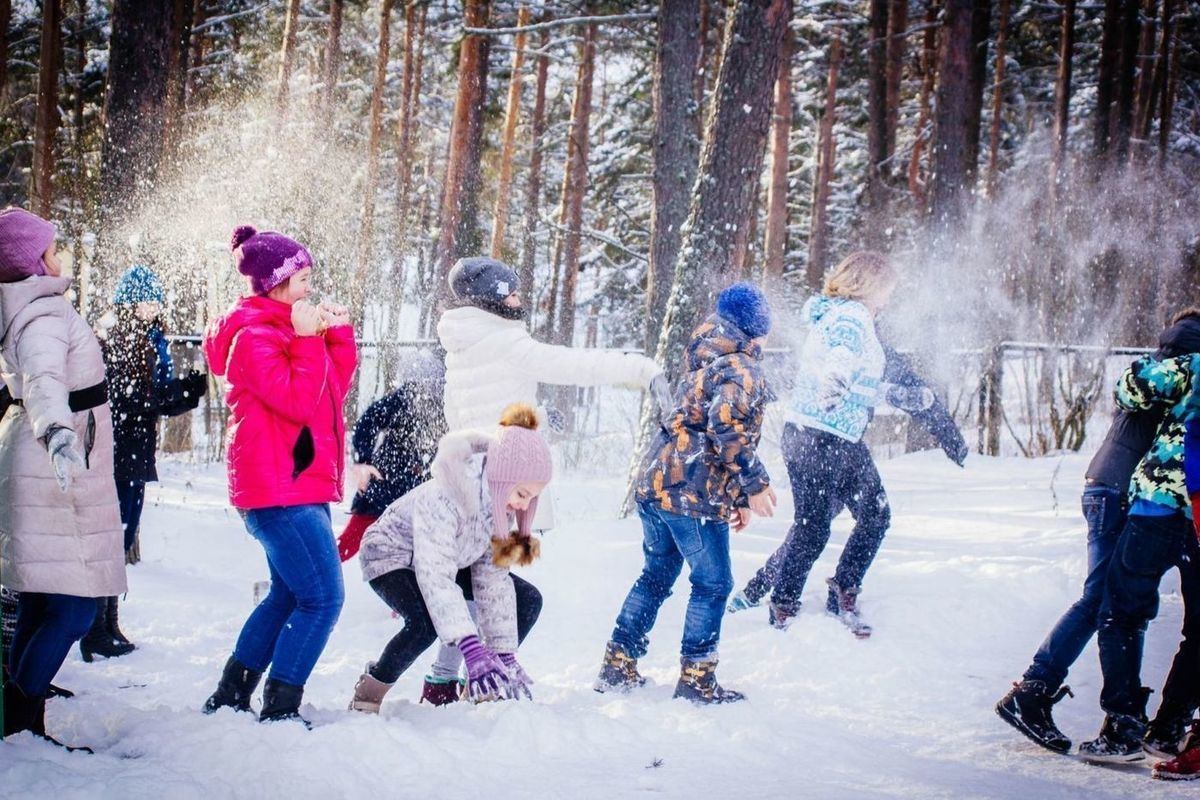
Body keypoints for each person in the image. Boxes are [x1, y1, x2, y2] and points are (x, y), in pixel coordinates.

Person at [417, 256, 671, 704]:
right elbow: (574, 365)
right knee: (488, 586)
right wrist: (642, 370)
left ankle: (452, 678)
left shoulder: (464, 340)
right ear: (491, 300)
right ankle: (452, 678)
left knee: (482, 583)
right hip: (505, 484)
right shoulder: (505, 342)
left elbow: (472, 413)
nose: (518, 300)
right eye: (511, 293)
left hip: (476, 477)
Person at [996, 310, 1200, 755]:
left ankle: (1063, 699)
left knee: (1110, 603)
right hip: (1122, 492)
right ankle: (1036, 691)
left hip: (1108, 487)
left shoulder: (1161, 361)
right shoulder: (1183, 366)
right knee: (1107, 602)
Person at [200, 225, 356, 727]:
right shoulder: (253, 336)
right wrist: (310, 341)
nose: (311, 288)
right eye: (303, 278)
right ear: (275, 282)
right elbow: (294, 401)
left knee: (289, 594)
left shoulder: (289, 328)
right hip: (277, 490)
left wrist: (337, 334)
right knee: (323, 598)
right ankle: (281, 707)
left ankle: (231, 693)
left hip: (299, 483)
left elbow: (332, 391)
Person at [744, 251, 944, 637]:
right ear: (870, 284)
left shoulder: (840, 316)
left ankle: (842, 590)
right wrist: (834, 380)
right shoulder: (852, 318)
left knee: (875, 513)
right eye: (887, 288)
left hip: (836, 436)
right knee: (815, 526)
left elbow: (856, 377)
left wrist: (896, 395)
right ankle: (784, 605)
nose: (889, 297)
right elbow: (842, 358)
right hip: (818, 437)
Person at [595, 282, 777, 704]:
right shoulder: (741, 367)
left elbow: (695, 428)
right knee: (714, 584)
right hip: (692, 496)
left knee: (656, 575)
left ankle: (617, 663)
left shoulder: (703, 358)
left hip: (657, 487)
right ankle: (697, 678)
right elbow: (724, 429)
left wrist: (734, 497)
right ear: (755, 328)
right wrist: (754, 485)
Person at [0, 207, 126, 750]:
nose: (60, 254)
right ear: (34, 259)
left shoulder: (30, 307)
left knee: (40, 600)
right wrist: (57, 433)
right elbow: (44, 379)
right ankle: (19, 713)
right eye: (52, 246)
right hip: (55, 465)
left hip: (52, 461)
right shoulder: (43, 313)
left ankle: (19, 717)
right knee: (73, 607)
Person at [727, 343, 968, 617]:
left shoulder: (878, 350)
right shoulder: (836, 339)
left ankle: (779, 588)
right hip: (817, 446)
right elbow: (786, 381)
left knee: (813, 529)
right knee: (813, 529)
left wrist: (950, 436)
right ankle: (769, 589)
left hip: (842, 448)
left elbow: (914, 392)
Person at [349, 404, 552, 712]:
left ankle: (484, 682)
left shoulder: (500, 506)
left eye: (531, 498)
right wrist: (470, 647)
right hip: (391, 556)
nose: (524, 506)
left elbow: (492, 581)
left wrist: (503, 652)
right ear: (502, 477)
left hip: (446, 558)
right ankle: (369, 693)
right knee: (423, 624)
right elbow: (436, 578)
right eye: (523, 494)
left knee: (527, 598)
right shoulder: (446, 496)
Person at [1076, 344, 1200, 761]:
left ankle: (1124, 727)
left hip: (1161, 504)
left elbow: (1131, 388)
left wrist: (1151, 366)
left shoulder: (1194, 367)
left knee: (1121, 610)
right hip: (1199, 517)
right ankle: (1168, 728)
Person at [78, 265, 206, 662]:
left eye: (156, 300)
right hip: (116, 453)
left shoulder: (151, 340)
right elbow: (128, 401)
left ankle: (108, 622)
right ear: (131, 303)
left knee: (123, 532)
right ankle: (94, 629)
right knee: (112, 536)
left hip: (133, 452)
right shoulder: (117, 340)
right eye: (148, 300)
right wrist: (177, 392)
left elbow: (153, 399)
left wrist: (186, 392)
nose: (154, 307)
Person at [335, 349, 447, 563]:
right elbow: (368, 421)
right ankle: (309, 574)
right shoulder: (405, 398)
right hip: (385, 485)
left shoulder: (443, 407)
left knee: (418, 554)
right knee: (349, 543)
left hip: (414, 493)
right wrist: (364, 461)